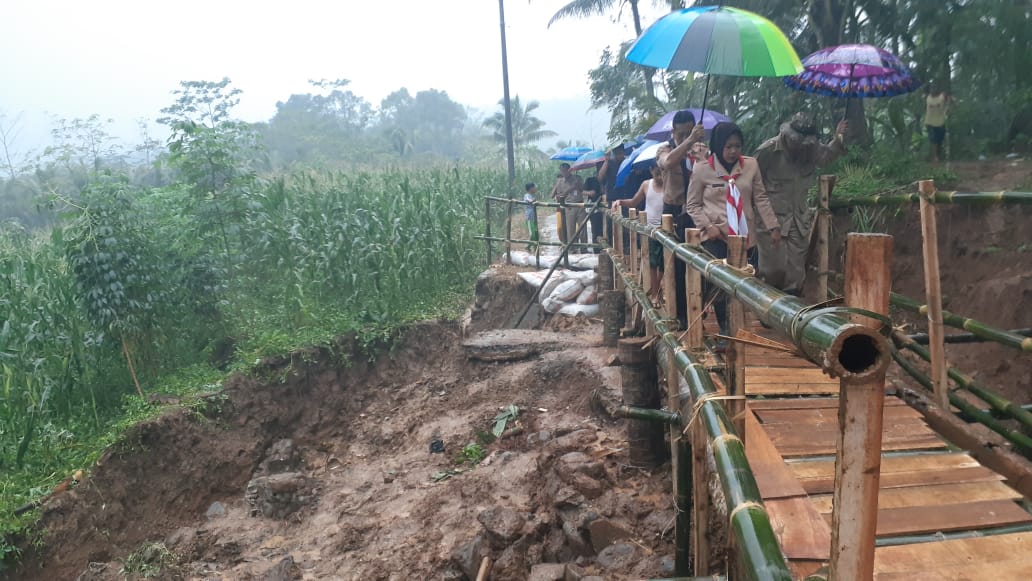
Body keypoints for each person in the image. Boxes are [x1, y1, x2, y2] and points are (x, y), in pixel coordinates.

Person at [686, 122, 781, 342]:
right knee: (722, 285)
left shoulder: (750, 166)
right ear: (719, 146)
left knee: (748, 280)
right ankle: (726, 333)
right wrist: (708, 227)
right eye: (728, 146)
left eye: (737, 146)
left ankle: (749, 322)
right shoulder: (702, 169)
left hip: (746, 237)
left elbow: (760, 198)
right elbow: (693, 205)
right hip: (716, 236)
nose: (732, 151)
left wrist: (773, 226)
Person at [754, 112, 848, 297]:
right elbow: (751, 180)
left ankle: (790, 312)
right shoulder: (768, 151)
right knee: (774, 268)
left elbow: (826, 156)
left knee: (796, 271)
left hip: (799, 218)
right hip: (772, 220)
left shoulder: (810, 149)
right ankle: (767, 306)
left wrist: (838, 137)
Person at [656, 110, 706, 328]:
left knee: (700, 261)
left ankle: (698, 310)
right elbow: (667, 163)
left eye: (690, 131)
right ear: (674, 131)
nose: (686, 135)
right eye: (682, 132)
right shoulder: (665, 149)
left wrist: (701, 154)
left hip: (697, 211)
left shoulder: (701, 150)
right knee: (676, 265)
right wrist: (689, 141)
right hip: (674, 211)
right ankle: (682, 316)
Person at [612, 164, 666, 301]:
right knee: (652, 264)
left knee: (664, 264)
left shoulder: (671, 185)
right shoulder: (646, 185)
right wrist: (620, 201)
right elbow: (634, 202)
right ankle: (655, 294)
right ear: (651, 170)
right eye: (656, 171)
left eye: (662, 170)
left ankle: (658, 290)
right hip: (649, 229)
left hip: (666, 230)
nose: (659, 174)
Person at [551, 162, 585, 246]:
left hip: (580, 204)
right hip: (569, 206)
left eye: (566, 170)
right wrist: (571, 188)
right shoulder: (560, 182)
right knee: (570, 229)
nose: (564, 172)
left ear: (570, 170)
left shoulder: (577, 178)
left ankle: (584, 247)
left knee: (582, 228)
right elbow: (558, 196)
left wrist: (578, 185)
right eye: (562, 171)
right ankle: (572, 248)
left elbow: (582, 190)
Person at [925, 84, 949, 163]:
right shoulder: (928, 98)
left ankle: (939, 156)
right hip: (930, 122)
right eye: (931, 88)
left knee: (939, 140)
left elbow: (948, 100)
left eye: (934, 88)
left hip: (940, 123)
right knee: (933, 140)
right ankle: (935, 157)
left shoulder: (941, 97)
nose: (933, 90)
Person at [583, 176, 604, 252]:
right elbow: (582, 190)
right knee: (595, 230)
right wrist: (589, 193)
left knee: (604, 230)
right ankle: (596, 250)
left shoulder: (608, 179)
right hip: (594, 209)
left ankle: (604, 249)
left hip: (605, 208)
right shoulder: (590, 180)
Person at [524, 182, 539, 252]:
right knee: (532, 234)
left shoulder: (531, 195)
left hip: (533, 218)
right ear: (530, 188)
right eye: (534, 187)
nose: (535, 189)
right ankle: (527, 246)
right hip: (529, 218)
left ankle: (535, 249)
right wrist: (534, 200)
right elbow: (530, 201)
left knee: (536, 234)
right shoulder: (527, 195)